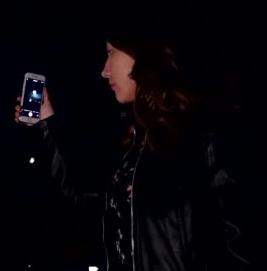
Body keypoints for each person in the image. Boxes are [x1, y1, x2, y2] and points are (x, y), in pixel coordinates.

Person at [14, 22, 257, 271]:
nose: (104, 71)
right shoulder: (136, 148)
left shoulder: (204, 138)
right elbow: (85, 206)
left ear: (141, 53)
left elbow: (241, 245)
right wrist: (45, 125)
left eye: (110, 53)